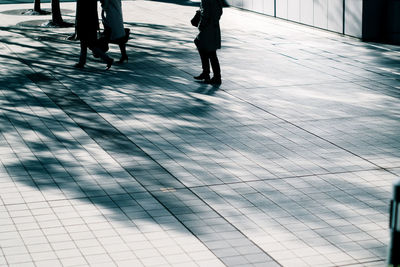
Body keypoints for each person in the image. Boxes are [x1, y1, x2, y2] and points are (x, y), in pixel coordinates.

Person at [74, 0, 113, 69]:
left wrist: (77, 26)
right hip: (91, 25)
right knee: (90, 45)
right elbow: (94, 12)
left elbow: (79, 13)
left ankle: (107, 59)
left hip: (83, 24)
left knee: (88, 45)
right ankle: (82, 62)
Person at [194, 0, 223, 85]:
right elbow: (220, 12)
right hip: (213, 27)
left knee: (210, 51)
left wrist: (201, 25)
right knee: (206, 49)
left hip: (207, 28)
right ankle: (208, 74)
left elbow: (205, 13)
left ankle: (214, 76)